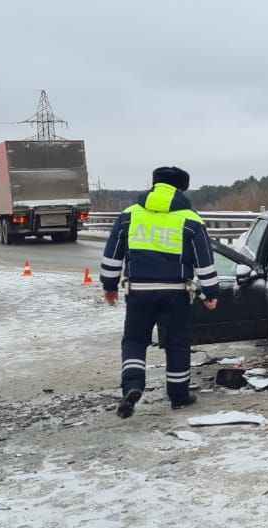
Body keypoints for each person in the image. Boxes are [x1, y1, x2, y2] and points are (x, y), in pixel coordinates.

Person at [100, 167, 221, 418]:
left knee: (134, 340)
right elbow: (204, 261)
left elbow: (112, 255)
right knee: (177, 343)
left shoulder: (129, 215)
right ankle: (179, 396)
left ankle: (132, 386)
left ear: (154, 185)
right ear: (181, 189)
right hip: (176, 293)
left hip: (139, 291)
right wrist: (210, 292)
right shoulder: (191, 219)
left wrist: (109, 286)